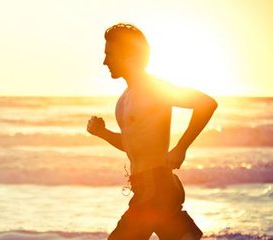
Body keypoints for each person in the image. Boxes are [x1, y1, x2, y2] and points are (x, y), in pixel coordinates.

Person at [87, 23, 217, 239]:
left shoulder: (154, 89)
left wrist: (181, 148)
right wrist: (103, 133)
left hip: (156, 188)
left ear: (128, 54)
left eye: (109, 54)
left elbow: (206, 103)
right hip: (147, 189)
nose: (105, 61)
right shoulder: (124, 100)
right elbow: (131, 143)